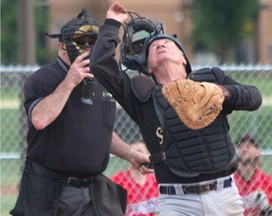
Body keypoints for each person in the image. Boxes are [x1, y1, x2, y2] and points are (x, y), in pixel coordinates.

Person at [90, 3, 263, 216]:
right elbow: (100, 65)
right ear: (148, 67)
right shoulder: (141, 96)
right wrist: (112, 23)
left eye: (167, 43)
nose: (160, 45)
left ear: (183, 58)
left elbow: (254, 97)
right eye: (153, 47)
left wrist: (221, 92)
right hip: (176, 201)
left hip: (224, 195)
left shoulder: (210, 80)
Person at [10, 8, 151, 216]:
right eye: (81, 40)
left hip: (94, 189)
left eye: (94, 41)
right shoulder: (43, 78)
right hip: (52, 190)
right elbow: (39, 119)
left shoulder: (101, 79)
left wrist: (131, 154)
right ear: (62, 46)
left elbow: (99, 131)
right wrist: (70, 81)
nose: (88, 47)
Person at [234, 133, 272, 216]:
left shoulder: (266, 180)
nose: (244, 149)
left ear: (257, 151)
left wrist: (267, 208)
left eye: (248, 146)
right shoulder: (230, 180)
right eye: (240, 147)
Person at [111, 141, 159, 216]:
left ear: (147, 154)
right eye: (134, 153)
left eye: (139, 152)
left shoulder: (155, 181)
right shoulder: (117, 180)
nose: (137, 155)